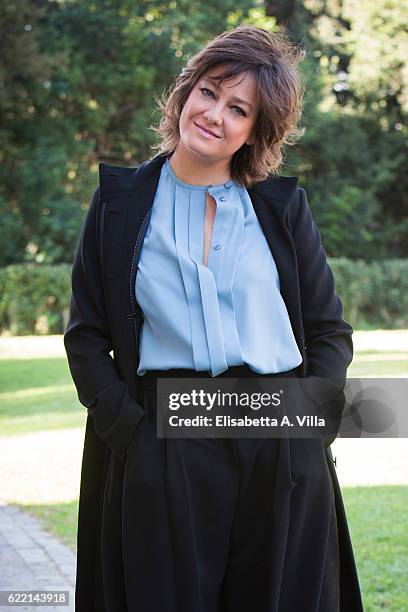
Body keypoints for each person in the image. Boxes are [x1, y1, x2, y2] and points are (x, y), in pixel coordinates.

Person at [64, 24, 364, 612]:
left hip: (276, 430)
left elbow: (330, 332)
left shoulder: (280, 206)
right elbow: (86, 336)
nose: (215, 115)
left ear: (256, 130)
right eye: (209, 92)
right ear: (185, 91)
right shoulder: (119, 202)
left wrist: (307, 434)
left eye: (239, 109)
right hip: (164, 437)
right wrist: (131, 433)